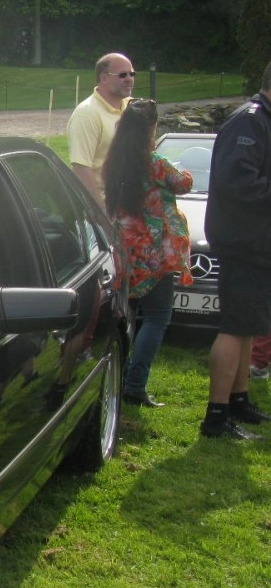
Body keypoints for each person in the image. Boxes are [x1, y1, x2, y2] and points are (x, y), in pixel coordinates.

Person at [101, 98, 192, 408]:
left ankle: (117, 378)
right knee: (157, 318)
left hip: (125, 251)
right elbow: (183, 183)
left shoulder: (114, 162)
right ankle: (135, 384)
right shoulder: (155, 163)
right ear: (151, 128)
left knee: (127, 314)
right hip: (154, 254)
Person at [200, 60, 271, 439]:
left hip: (256, 242)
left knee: (247, 326)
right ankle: (216, 415)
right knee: (234, 327)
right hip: (243, 242)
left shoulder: (262, 121)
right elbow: (238, 183)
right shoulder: (250, 122)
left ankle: (239, 400)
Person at [67, 53, 135, 201]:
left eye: (132, 74)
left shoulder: (133, 107)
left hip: (130, 201)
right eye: (122, 75)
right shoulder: (87, 114)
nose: (129, 78)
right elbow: (81, 168)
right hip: (105, 202)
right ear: (104, 78)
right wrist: (101, 210)